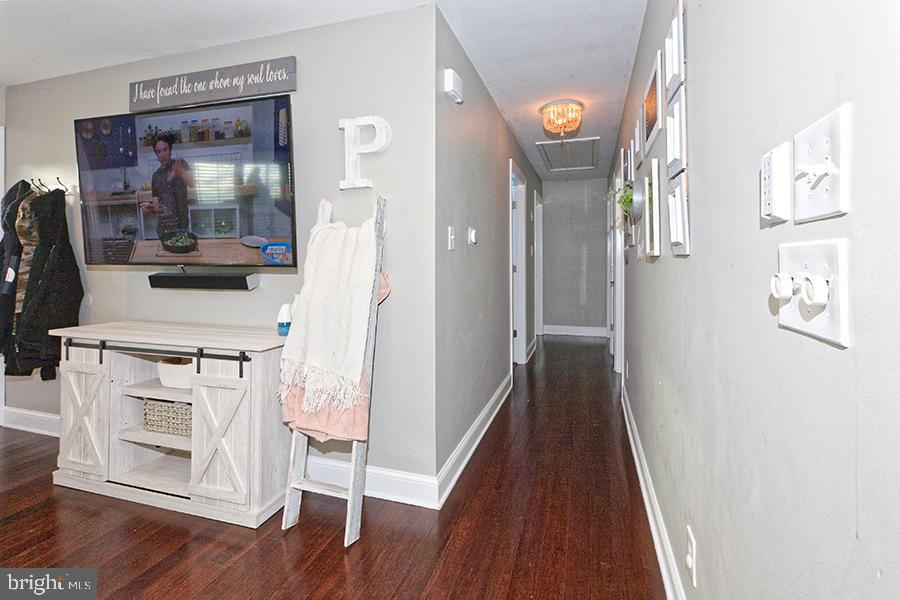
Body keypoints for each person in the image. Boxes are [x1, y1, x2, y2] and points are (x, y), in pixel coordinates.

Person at [140, 134, 194, 239]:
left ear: (170, 150)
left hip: (181, 227)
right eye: (159, 152)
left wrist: (179, 172)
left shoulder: (180, 164)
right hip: (163, 230)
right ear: (156, 154)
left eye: (165, 150)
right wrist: (151, 208)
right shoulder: (156, 176)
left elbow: (193, 182)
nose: (162, 154)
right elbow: (157, 205)